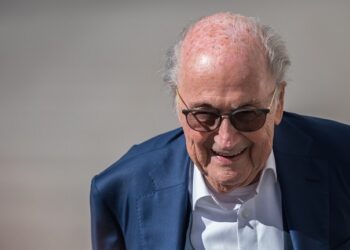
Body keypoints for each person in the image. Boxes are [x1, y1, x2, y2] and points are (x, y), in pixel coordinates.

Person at [90, 12, 350, 250]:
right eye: (204, 115)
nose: (226, 139)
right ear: (178, 104)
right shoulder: (121, 191)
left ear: (278, 102)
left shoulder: (342, 161)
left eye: (247, 115)